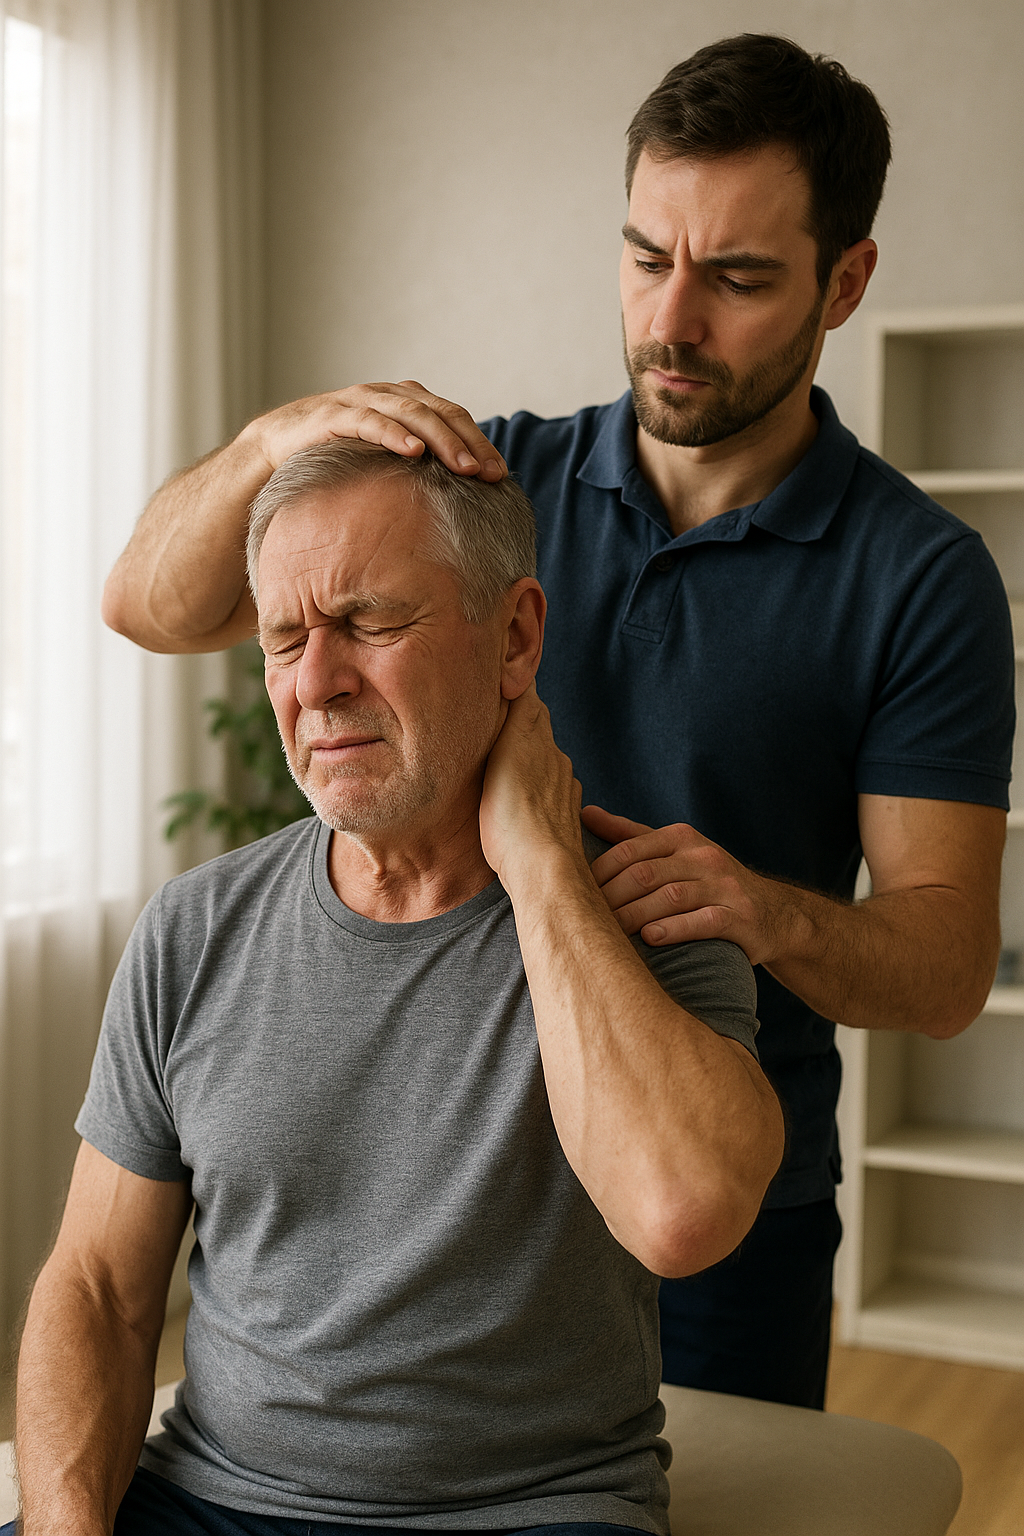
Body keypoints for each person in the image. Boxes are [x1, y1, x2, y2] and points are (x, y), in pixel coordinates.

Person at [100, 34, 1015, 1411]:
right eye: (646, 257)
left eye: (740, 277)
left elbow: (945, 970)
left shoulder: (923, 577)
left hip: (718, 1213)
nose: (671, 320)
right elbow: (149, 605)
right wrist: (269, 445)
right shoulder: (486, 481)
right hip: (459, 1197)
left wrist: (762, 913)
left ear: (847, 281)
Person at [11, 443, 782, 1536]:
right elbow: (95, 1287)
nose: (315, 683)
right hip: (209, 1501)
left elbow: (682, 1215)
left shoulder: (649, 914)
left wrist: (543, 872)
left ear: (515, 637)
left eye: (369, 622)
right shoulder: (195, 926)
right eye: (285, 638)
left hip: (524, 1515)